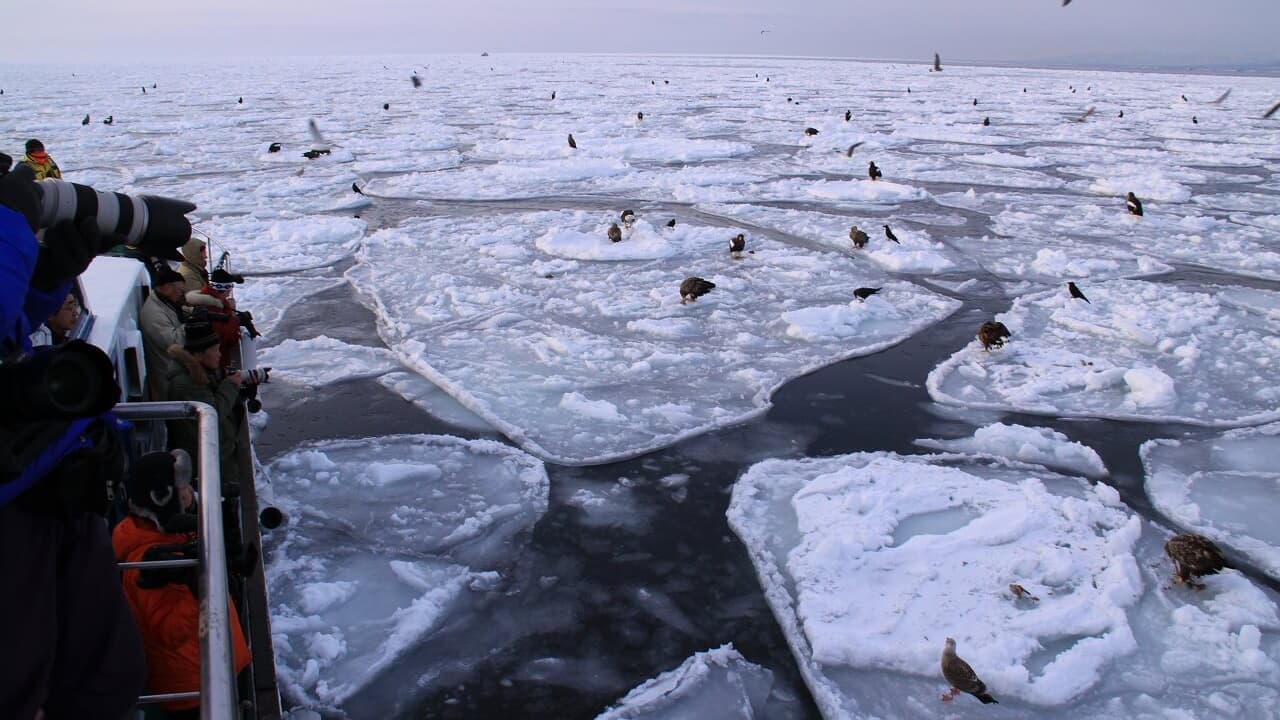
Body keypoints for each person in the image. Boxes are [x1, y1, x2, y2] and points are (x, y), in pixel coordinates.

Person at [0, 164, 147, 719]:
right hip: (20, 514)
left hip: (41, 495)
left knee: (101, 678)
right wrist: (8, 228)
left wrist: (41, 283)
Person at [112, 450, 251, 720]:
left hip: (215, 665)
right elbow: (171, 631)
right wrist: (197, 585)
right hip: (194, 688)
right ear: (162, 498)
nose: (190, 492)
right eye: (183, 488)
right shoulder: (149, 562)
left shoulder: (170, 533)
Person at [165, 321, 245, 490]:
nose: (220, 354)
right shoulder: (187, 382)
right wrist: (230, 385)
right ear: (199, 355)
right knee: (223, 496)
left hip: (215, 449)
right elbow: (213, 413)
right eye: (215, 350)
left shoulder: (197, 371)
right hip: (210, 455)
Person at [139, 267, 186, 399]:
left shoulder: (163, 302)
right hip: (167, 376)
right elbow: (172, 343)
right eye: (180, 291)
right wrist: (190, 325)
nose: (181, 295)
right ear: (167, 287)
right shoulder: (153, 313)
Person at [186, 268, 243, 369]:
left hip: (217, 356)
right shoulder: (211, 306)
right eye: (229, 289)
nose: (230, 293)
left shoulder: (217, 301)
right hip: (216, 359)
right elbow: (222, 335)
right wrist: (235, 321)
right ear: (223, 289)